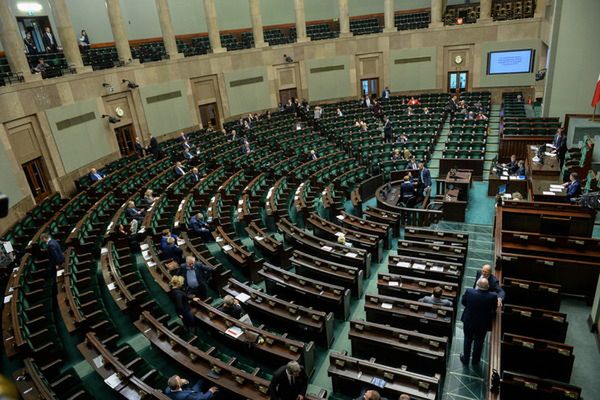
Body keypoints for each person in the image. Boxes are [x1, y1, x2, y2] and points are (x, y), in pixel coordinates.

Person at [460, 278, 498, 366]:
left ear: (477, 285)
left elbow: (463, 302)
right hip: (482, 323)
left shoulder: (469, 291)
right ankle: (475, 360)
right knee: (479, 341)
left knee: (467, 339)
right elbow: (494, 308)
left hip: (469, 320)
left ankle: (466, 359)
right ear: (488, 287)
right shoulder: (493, 296)